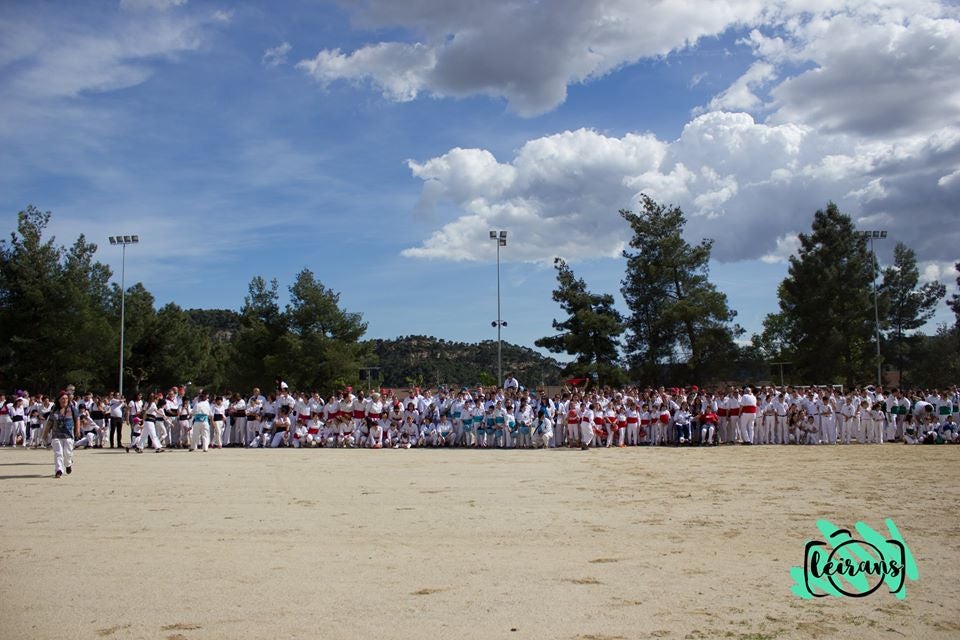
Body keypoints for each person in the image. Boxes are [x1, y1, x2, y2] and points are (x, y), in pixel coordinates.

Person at [46, 391, 80, 478]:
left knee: (67, 453)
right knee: (58, 453)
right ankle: (59, 470)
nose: (65, 400)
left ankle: (68, 464)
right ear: (59, 400)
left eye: (66, 399)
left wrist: (77, 430)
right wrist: (45, 434)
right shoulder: (54, 409)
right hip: (56, 435)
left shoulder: (72, 408)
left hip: (68, 435)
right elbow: (50, 422)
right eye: (63, 399)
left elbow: (77, 419)